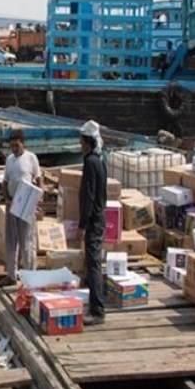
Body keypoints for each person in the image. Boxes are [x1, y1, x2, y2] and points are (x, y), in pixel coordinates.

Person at [0, 130, 42, 287]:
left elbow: (38, 180)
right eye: (12, 146)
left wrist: (37, 201)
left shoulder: (31, 158)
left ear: (23, 144)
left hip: (26, 205)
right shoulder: (9, 160)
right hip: (12, 204)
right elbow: (5, 181)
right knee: (11, 240)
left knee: (27, 242)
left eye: (17, 146)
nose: (14, 149)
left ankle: (30, 277)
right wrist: (7, 199)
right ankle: (11, 275)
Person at [78, 120, 107, 326]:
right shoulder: (100, 160)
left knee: (94, 263)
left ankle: (97, 310)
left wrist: (82, 224)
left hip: (93, 219)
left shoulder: (90, 162)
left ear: (87, 142)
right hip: (100, 216)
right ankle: (94, 302)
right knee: (93, 261)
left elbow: (88, 195)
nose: (80, 145)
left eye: (81, 142)